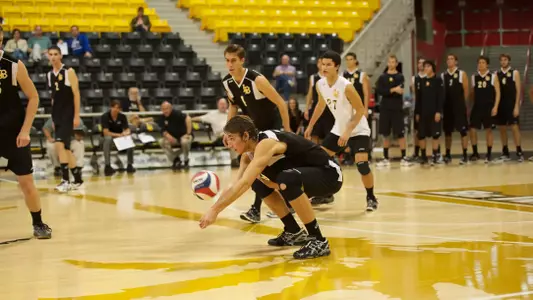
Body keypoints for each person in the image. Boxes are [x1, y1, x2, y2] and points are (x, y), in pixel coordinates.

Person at [199, 115, 342, 259]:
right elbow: (237, 184)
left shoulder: (266, 143)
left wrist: (215, 210)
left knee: (286, 179)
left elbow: (243, 184)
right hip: (304, 176)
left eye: (231, 138)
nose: (229, 143)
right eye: (227, 138)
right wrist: (214, 206)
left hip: (329, 174)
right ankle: (294, 232)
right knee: (258, 181)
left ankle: (318, 240)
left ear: (246, 135)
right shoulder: (247, 155)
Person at [221, 44, 292, 224]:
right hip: (254, 129)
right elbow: (233, 106)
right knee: (251, 163)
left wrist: (287, 130)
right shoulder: (228, 82)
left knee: (257, 164)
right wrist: (228, 131)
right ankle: (260, 207)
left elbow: (281, 103)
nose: (230, 64)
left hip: (272, 126)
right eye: (227, 60)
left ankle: (257, 208)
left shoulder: (257, 80)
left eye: (233, 60)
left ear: (242, 60)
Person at [305, 50, 377, 212]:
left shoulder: (346, 86)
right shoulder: (320, 84)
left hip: (358, 128)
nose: (324, 67)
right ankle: (326, 193)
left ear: (337, 67)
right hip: (339, 128)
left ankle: (371, 197)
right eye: (323, 64)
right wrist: (310, 126)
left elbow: (360, 110)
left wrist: (348, 131)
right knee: (319, 159)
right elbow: (320, 105)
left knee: (362, 165)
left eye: (328, 64)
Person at [0, 26, 52, 239]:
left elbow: (33, 97)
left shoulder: (13, 64)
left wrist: (25, 130)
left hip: (14, 133)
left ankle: (38, 223)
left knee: (26, 182)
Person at [47, 45, 83, 192]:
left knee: (59, 145)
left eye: (56, 54)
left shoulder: (69, 71)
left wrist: (76, 115)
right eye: (51, 54)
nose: (53, 57)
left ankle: (65, 180)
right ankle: (78, 180)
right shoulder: (50, 75)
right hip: (57, 115)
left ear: (61, 55)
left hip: (68, 113)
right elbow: (53, 98)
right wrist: (53, 119)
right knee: (66, 149)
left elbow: (76, 94)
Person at [375, 55, 411, 167]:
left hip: (397, 108)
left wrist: (390, 90)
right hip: (385, 108)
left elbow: (400, 90)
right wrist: (392, 89)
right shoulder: (382, 77)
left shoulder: (400, 76)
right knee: (385, 134)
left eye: (393, 62)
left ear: (396, 63)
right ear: (387, 63)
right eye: (389, 62)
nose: (391, 64)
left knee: (400, 133)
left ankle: (404, 156)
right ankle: (385, 157)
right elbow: (380, 91)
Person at [469, 56, 500, 163]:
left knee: (489, 130)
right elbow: (472, 93)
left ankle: (489, 153)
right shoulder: (474, 77)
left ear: (487, 64)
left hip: (489, 107)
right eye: (479, 62)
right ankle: (475, 152)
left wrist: (495, 106)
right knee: (472, 129)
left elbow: (498, 92)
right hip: (477, 106)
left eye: (483, 62)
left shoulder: (493, 76)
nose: (481, 64)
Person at [343, 52, 371, 164]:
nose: (349, 61)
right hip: (347, 108)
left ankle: (365, 154)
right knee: (348, 131)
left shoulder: (361, 74)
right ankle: (349, 155)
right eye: (347, 59)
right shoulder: (342, 75)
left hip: (358, 108)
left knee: (361, 131)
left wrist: (365, 108)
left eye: (351, 59)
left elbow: (366, 93)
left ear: (355, 60)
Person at [441, 54, 469, 164]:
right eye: (448, 59)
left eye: (452, 59)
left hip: (459, 107)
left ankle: (465, 154)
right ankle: (448, 154)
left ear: (456, 62)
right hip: (447, 107)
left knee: (463, 131)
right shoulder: (443, 75)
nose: (449, 60)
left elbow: (466, 90)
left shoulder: (462, 74)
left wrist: (462, 104)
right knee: (448, 132)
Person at [415, 61, 444, 165]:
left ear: (433, 67)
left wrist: (438, 112)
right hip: (423, 112)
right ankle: (423, 156)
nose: (425, 68)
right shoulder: (421, 81)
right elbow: (418, 98)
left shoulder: (438, 80)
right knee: (421, 135)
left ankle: (435, 155)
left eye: (428, 66)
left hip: (434, 112)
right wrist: (417, 113)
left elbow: (440, 97)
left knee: (435, 135)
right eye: (424, 66)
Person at [496, 54, 523, 162]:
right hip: (501, 105)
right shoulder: (497, 74)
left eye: (505, 60)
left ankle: (519, 151)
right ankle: (505, 151)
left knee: (514, 127)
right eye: (501, 60)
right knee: (502, 128)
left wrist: (517, 105)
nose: (503, 62)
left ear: (509, 61)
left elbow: (518, 90)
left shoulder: (514, 73)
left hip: (511, 104)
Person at [101, 100, 136, 175]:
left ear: (120, 109)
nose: (116, 109)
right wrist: (119, 135)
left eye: (118, 108)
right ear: (111, 107)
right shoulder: (105, 116)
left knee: (130, 139)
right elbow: (106, 132)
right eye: (114, 107)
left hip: (118, 138)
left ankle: (130, 165)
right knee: (108, 139)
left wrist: (125, 133)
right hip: (105, 138)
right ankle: (107, 166)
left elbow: (127, 129)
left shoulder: (122, 116)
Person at [159, 101, 192, 170]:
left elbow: (188, 118)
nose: (165, 111)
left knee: (184, 142)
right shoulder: (162, 118)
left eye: (166, 108)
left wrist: (188, 133)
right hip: (173, 138)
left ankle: (186, 160)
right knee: (161, 141)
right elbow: (162, 130)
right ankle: (175, 159)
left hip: (184, 135)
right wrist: (168, 136)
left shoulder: (177, 113)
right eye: (163, 109)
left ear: (171, 108)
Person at [410, 57, 425, 160]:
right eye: (419, 63)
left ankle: (433, 153)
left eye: (423, 63)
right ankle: (416, 152)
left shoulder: (431, 77)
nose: (421, 65)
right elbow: (414, 93)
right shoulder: (414, 78)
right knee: (417, 130)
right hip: (418, 107)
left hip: (429, 107)